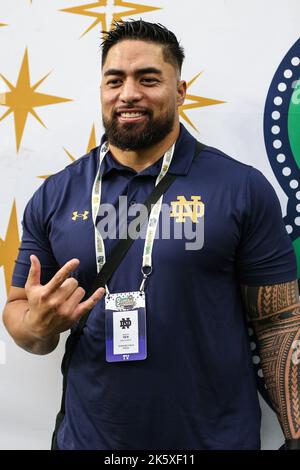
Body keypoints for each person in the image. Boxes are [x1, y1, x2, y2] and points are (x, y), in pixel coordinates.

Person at [2, 19, 300, 451]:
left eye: (148, 79)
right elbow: (17, 310)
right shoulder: (56, 193)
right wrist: (39, 326)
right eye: (114, 80)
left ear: (180, 90)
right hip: (90, 440)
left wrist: (295, 436)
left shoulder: (240, 187)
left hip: (214, 440)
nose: (128, 94)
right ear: (101, 89)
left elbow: (278, 322)